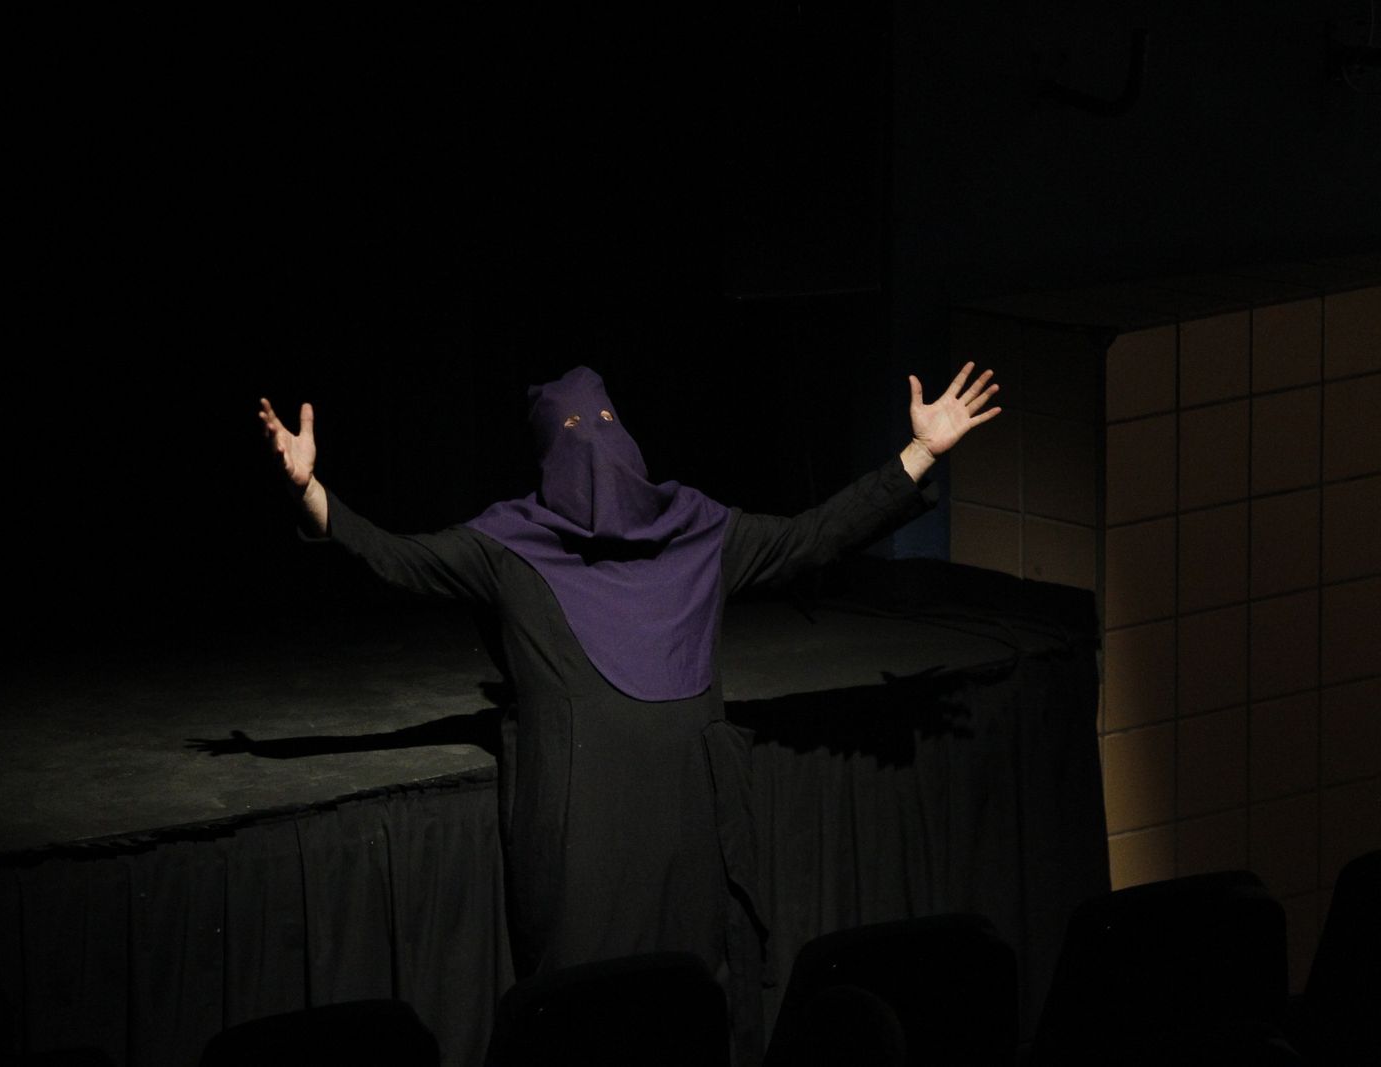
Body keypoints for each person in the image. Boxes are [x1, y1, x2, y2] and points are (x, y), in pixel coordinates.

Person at [258, 363, 999, 1060]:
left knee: (685, 1004)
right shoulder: (512, 545)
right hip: (585, 843)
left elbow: (812, 537)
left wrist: (916, 454)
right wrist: (310, 491)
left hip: (688, 831)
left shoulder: (696, 529)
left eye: (605, 421)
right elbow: (399, 559)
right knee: (588, 1018)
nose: (595, 445)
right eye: (576, 427)